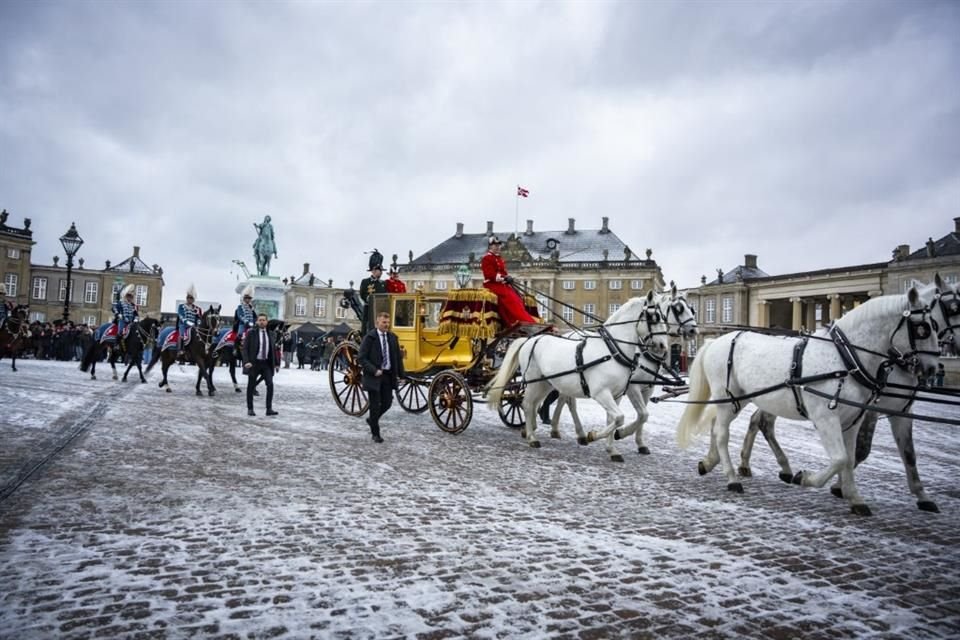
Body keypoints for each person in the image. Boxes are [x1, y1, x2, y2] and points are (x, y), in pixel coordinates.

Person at [359, 311, 405, 443]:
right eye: (384, 322)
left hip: (387, 375)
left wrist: (401, 375)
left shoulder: (392, 337)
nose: (387, 325)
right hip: (374, 376)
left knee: (387, 402)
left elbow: (397, 358)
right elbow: (362, 358)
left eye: (388, 322)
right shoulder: (370, 338)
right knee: (374, 405)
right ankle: (376, 434)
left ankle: (372, 419)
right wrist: (374, 370)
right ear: (377, 323)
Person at [481, 236, 535, 328]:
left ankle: (522, 320)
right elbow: (489, 275)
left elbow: (503, 272)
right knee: (509, 297)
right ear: (490, 247)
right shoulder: (487, 258)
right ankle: (520, 321)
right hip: (491, 284)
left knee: (517, 296)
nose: (497, 247)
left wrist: (507, 277)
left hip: (500, 284)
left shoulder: (499, 259)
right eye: (495, 245)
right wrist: (504, 278)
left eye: (498, 245)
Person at [243, 313, 279, 417]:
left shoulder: (271, 334)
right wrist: (246, 362)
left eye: (264, 320)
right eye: (260, 320)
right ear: (257, 322)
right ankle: (250, 409)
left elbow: (273, 350)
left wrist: (276, 363)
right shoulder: (251, 333)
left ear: (267, 322)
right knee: (251, 386)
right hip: (254, 363)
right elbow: (245, 348)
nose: (262, 322)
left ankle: (269, 408)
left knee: (270, 384)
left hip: (266, 364)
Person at [359, 250, 386, 335]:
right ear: (374, 270)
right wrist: (368, 299)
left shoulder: (383, 283)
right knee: (368, 329)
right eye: (379, 270)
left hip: (380, 310)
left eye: (381, 270)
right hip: (369, 310)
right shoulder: (365, 282)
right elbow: (362, 294)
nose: (381, 272)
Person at [176, 284, 202, 354]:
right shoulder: (182, 306)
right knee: (182, 335)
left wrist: (198, 323)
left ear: (193, 299)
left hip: (194, 326)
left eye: (191, 298)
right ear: (186, 298)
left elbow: (198, 318)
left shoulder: (197, 308)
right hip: (184, 325)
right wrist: (189, 323)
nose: (190, 299)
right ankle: (180, 350)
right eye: (188, 298)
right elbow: (182, 317)